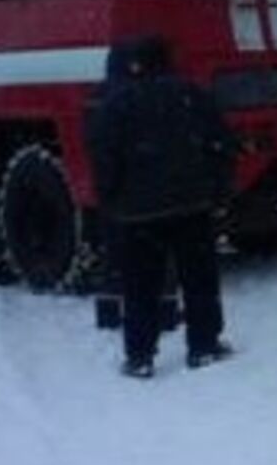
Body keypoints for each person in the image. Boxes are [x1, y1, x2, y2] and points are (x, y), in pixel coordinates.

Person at [85, 35, 239, 379]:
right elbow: (222, 145)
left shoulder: (114, 104)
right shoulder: (192, 95)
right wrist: (218, 191)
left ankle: (140, 356)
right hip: (192, 206)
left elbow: (103, 157)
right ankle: (203, 346)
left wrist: (110, 200)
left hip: (138, 214)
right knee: (199, 281)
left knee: (140, 285)